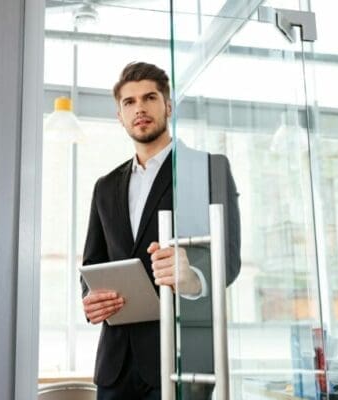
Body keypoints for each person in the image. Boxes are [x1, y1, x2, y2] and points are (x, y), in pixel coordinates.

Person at [80, 61, 241, 400]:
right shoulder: (105, 186)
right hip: (116, 366)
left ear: (167, 106)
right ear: (120, 116)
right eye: (129, 102)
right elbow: (92, 264)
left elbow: (229, 260)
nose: (140, 108)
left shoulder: (209, 168)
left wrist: (192, 276)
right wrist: (90, 300)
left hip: (180, 359)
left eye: (149, 98)